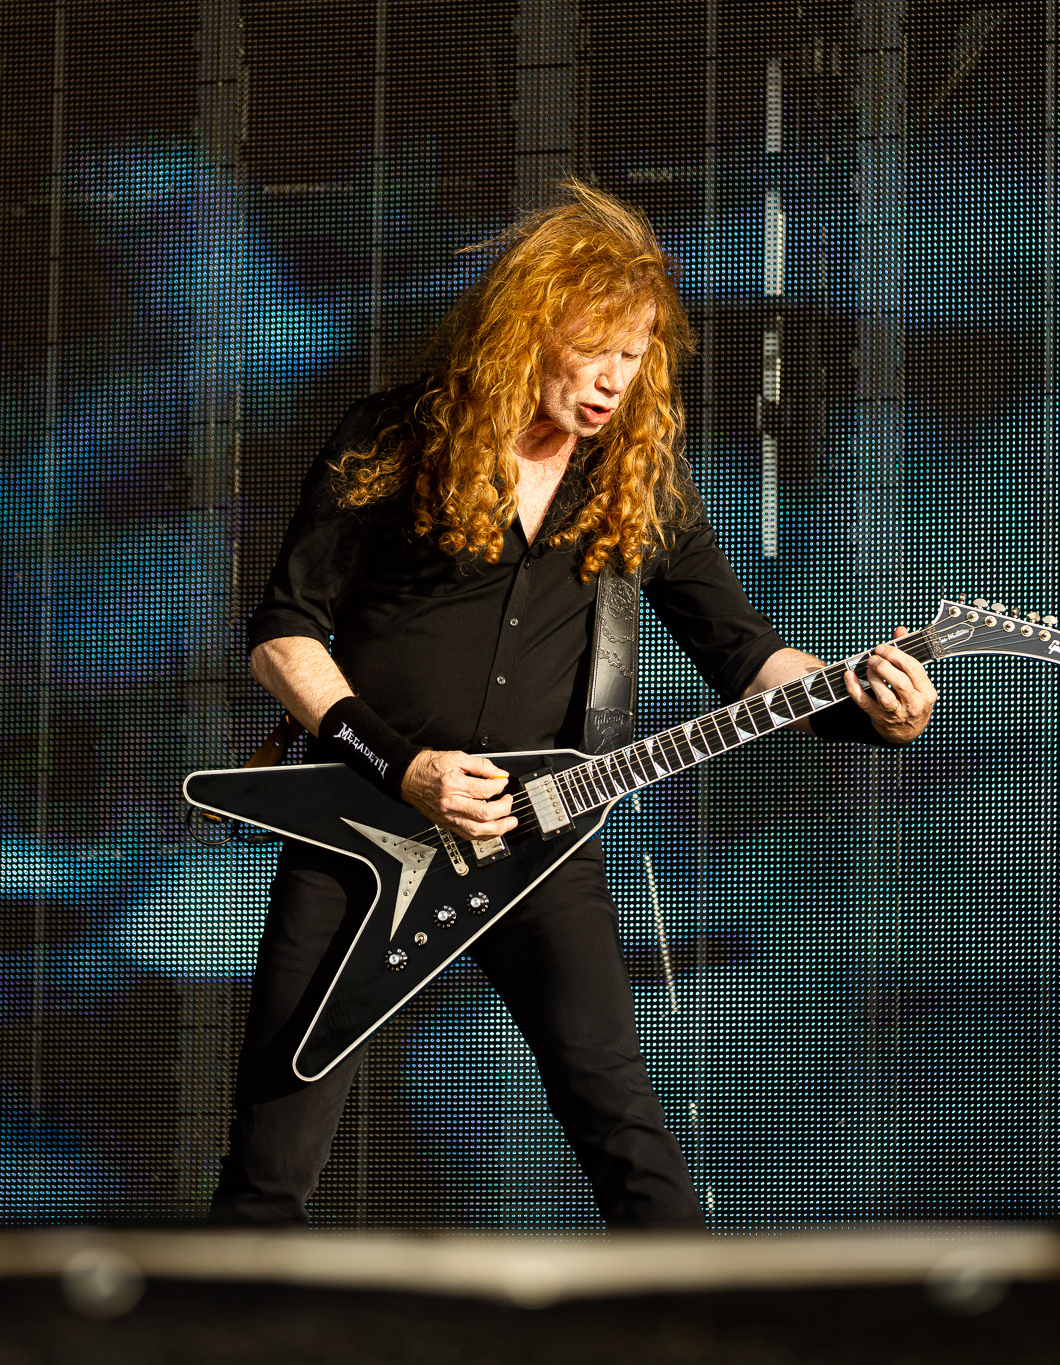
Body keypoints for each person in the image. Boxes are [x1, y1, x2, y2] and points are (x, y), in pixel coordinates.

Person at [209, 180, 938, 1229]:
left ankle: (692, 1313)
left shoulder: (637, 482)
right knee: (272, 1154)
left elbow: (742, 653)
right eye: (592, 347)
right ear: (525, 330)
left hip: (541, 838)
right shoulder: (392, 440)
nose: (613, 379)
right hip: (362, 829)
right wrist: (401, 767)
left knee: (622, 1124)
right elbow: (284, 634)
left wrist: (865, 708)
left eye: (634, 354)